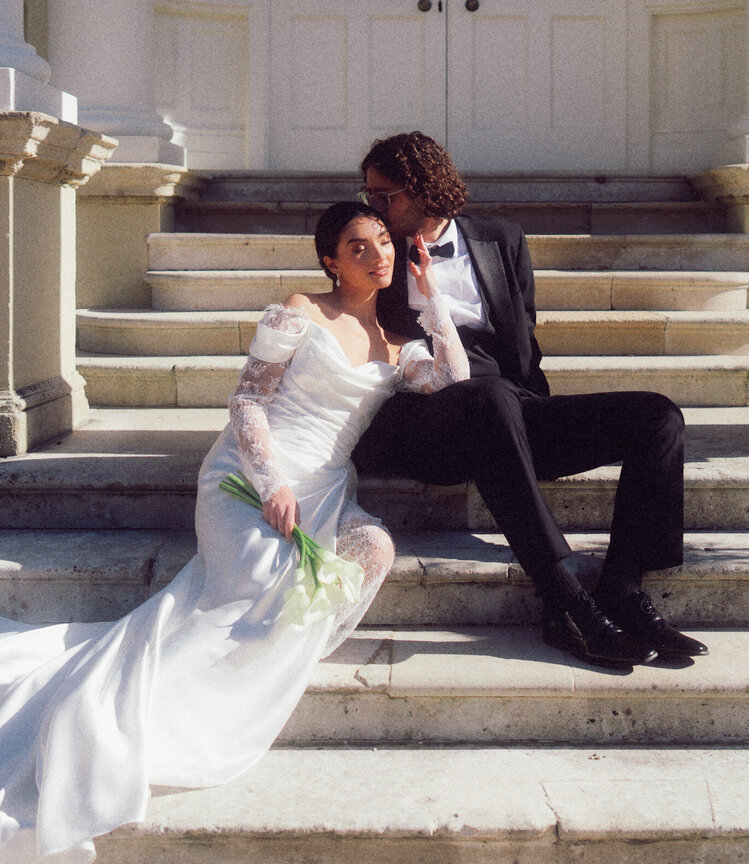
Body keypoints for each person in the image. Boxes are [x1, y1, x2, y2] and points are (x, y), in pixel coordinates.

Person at [0, 201, 468, 863]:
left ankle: (285, 652)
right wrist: (272, 483)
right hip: (246, 479)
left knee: (374, 548)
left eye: (385, 242)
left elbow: (457, 380)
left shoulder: (400, 347)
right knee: (256, 584)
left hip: (327, 491)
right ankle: (105, 716)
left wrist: (430, 298)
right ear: (330, 260)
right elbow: (247, 400)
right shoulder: (300, 311)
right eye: (359, 246)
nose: (378, 255)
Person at [352, 131, 708, 669]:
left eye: (387, 195)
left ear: (425, 189)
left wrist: (531, 412)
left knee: (657, 416)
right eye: (370, 196)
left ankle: (623, 588)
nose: (375, 208)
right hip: (429, 420)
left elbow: (524, 339)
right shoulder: (373, 254)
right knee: (489, 397)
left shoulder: (502, 239)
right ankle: (566, 601)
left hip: (509, 406)